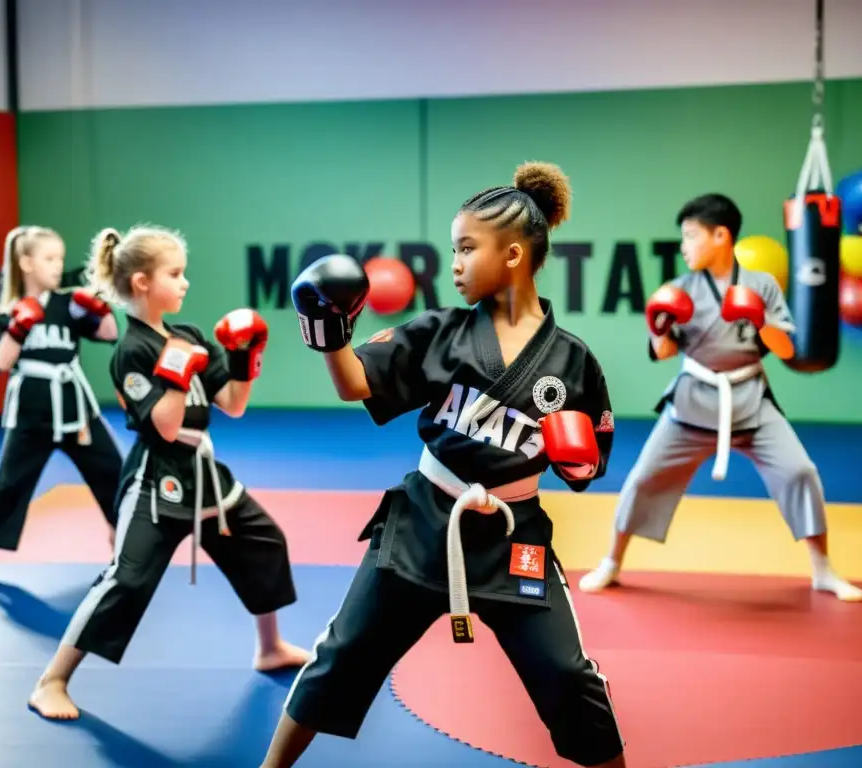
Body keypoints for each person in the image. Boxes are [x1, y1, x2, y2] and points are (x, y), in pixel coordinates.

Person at [262, 163, 626, 768]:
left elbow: (586, 473)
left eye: (464, 248)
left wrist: (579, 461)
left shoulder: (573, 362)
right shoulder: (441, 332)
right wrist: (330, 336)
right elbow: (356, 383)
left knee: (568, 677)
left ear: (513, 255)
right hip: (424, 520)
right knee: (343, 655)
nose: (452, 263)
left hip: (513, 536)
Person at [27, 225, 310, 720]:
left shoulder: (190, 336)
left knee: (265, 542)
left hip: (205, 473)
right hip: (157, 480)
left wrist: (243, 358)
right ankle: (51, 681)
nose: (184, 284)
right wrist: (176, 370)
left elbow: (233, 405)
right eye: (174, 275)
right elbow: (165, 423)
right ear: (141, 282)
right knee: (126, 581)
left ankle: (270, 647)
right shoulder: (131, 351)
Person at [578, 193, 862, 603]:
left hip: (749, 401)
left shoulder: (761, 285)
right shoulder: (679, 289)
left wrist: (758, 319)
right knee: (643, 478)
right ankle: (611, 562)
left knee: (800, 472)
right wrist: (658, 325)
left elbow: (785, 351)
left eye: (691, 237)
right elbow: (663, 354)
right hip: (692, 403)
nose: (683, 246)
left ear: (720, 235)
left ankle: (823, 570)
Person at [0, 226, 123, 587]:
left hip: (76, 410)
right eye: (49, 258)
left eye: (60, 258)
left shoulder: (68, 303)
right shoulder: (9, 310)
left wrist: (98, 307)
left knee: (112, 472)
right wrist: (18, 327)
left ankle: (119, 542)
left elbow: (108, 333)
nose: (58, 265)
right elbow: (1, 361)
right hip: (31, 412)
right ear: (26, 262)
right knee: (9, 484)